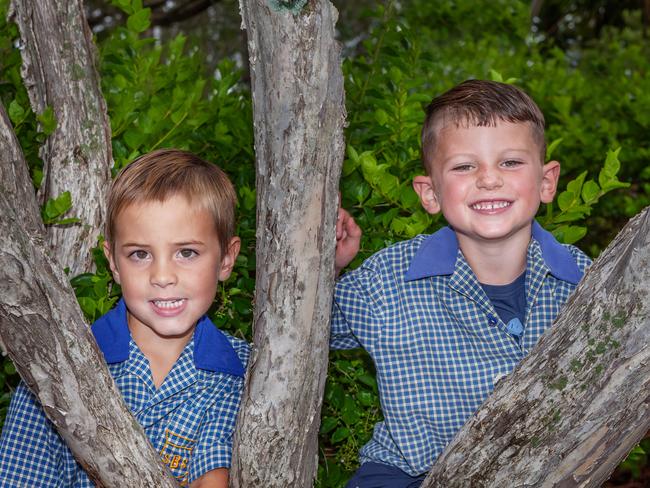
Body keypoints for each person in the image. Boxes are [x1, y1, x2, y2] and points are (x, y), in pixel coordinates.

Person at [333, 80, 592, 487]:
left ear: (547, 181)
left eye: (510, 162)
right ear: (430, 193)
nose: (488, 179)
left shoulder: (586, 284)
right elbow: (298, 340)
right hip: (404, 475)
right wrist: (323, 270)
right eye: (464, 166)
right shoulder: (387, 281)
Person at [0, 149, 249, 487]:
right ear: (114, 263)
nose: (162, 276)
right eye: (140, 254)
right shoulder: (56, 367)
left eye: (186, 252)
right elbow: (20, 478)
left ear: (226, 259)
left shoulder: (242, 369)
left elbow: (214, 477)